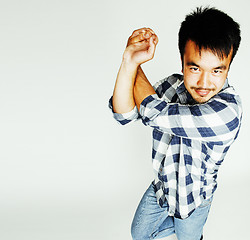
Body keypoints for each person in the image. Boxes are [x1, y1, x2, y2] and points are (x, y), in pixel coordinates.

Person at [109, 6, 242, 240]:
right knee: (138, 235)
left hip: (195, 198)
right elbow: (124, 114)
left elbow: (153, 111)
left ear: (228, 68)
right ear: (182, 62)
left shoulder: (228, 112)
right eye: (195, 68)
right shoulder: (171, 86)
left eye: (217, 71)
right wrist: (129, 61)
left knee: (188, 238)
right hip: (162, 187)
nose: (204, 82)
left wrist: (137, 69)